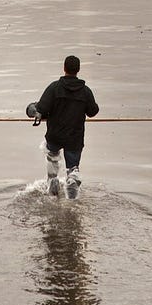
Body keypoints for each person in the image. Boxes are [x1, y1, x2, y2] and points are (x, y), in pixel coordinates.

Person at [26, 55, 99, 199]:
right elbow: (93, 112)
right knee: (73, 167)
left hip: (55, 134)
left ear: (64, 68)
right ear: (78, 70)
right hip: (74, 137)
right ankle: (72, 184)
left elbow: (41, 109)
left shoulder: (54, 88)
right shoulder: (85, 91)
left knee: (53, 158)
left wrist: (31, 109)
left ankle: (53, 187)